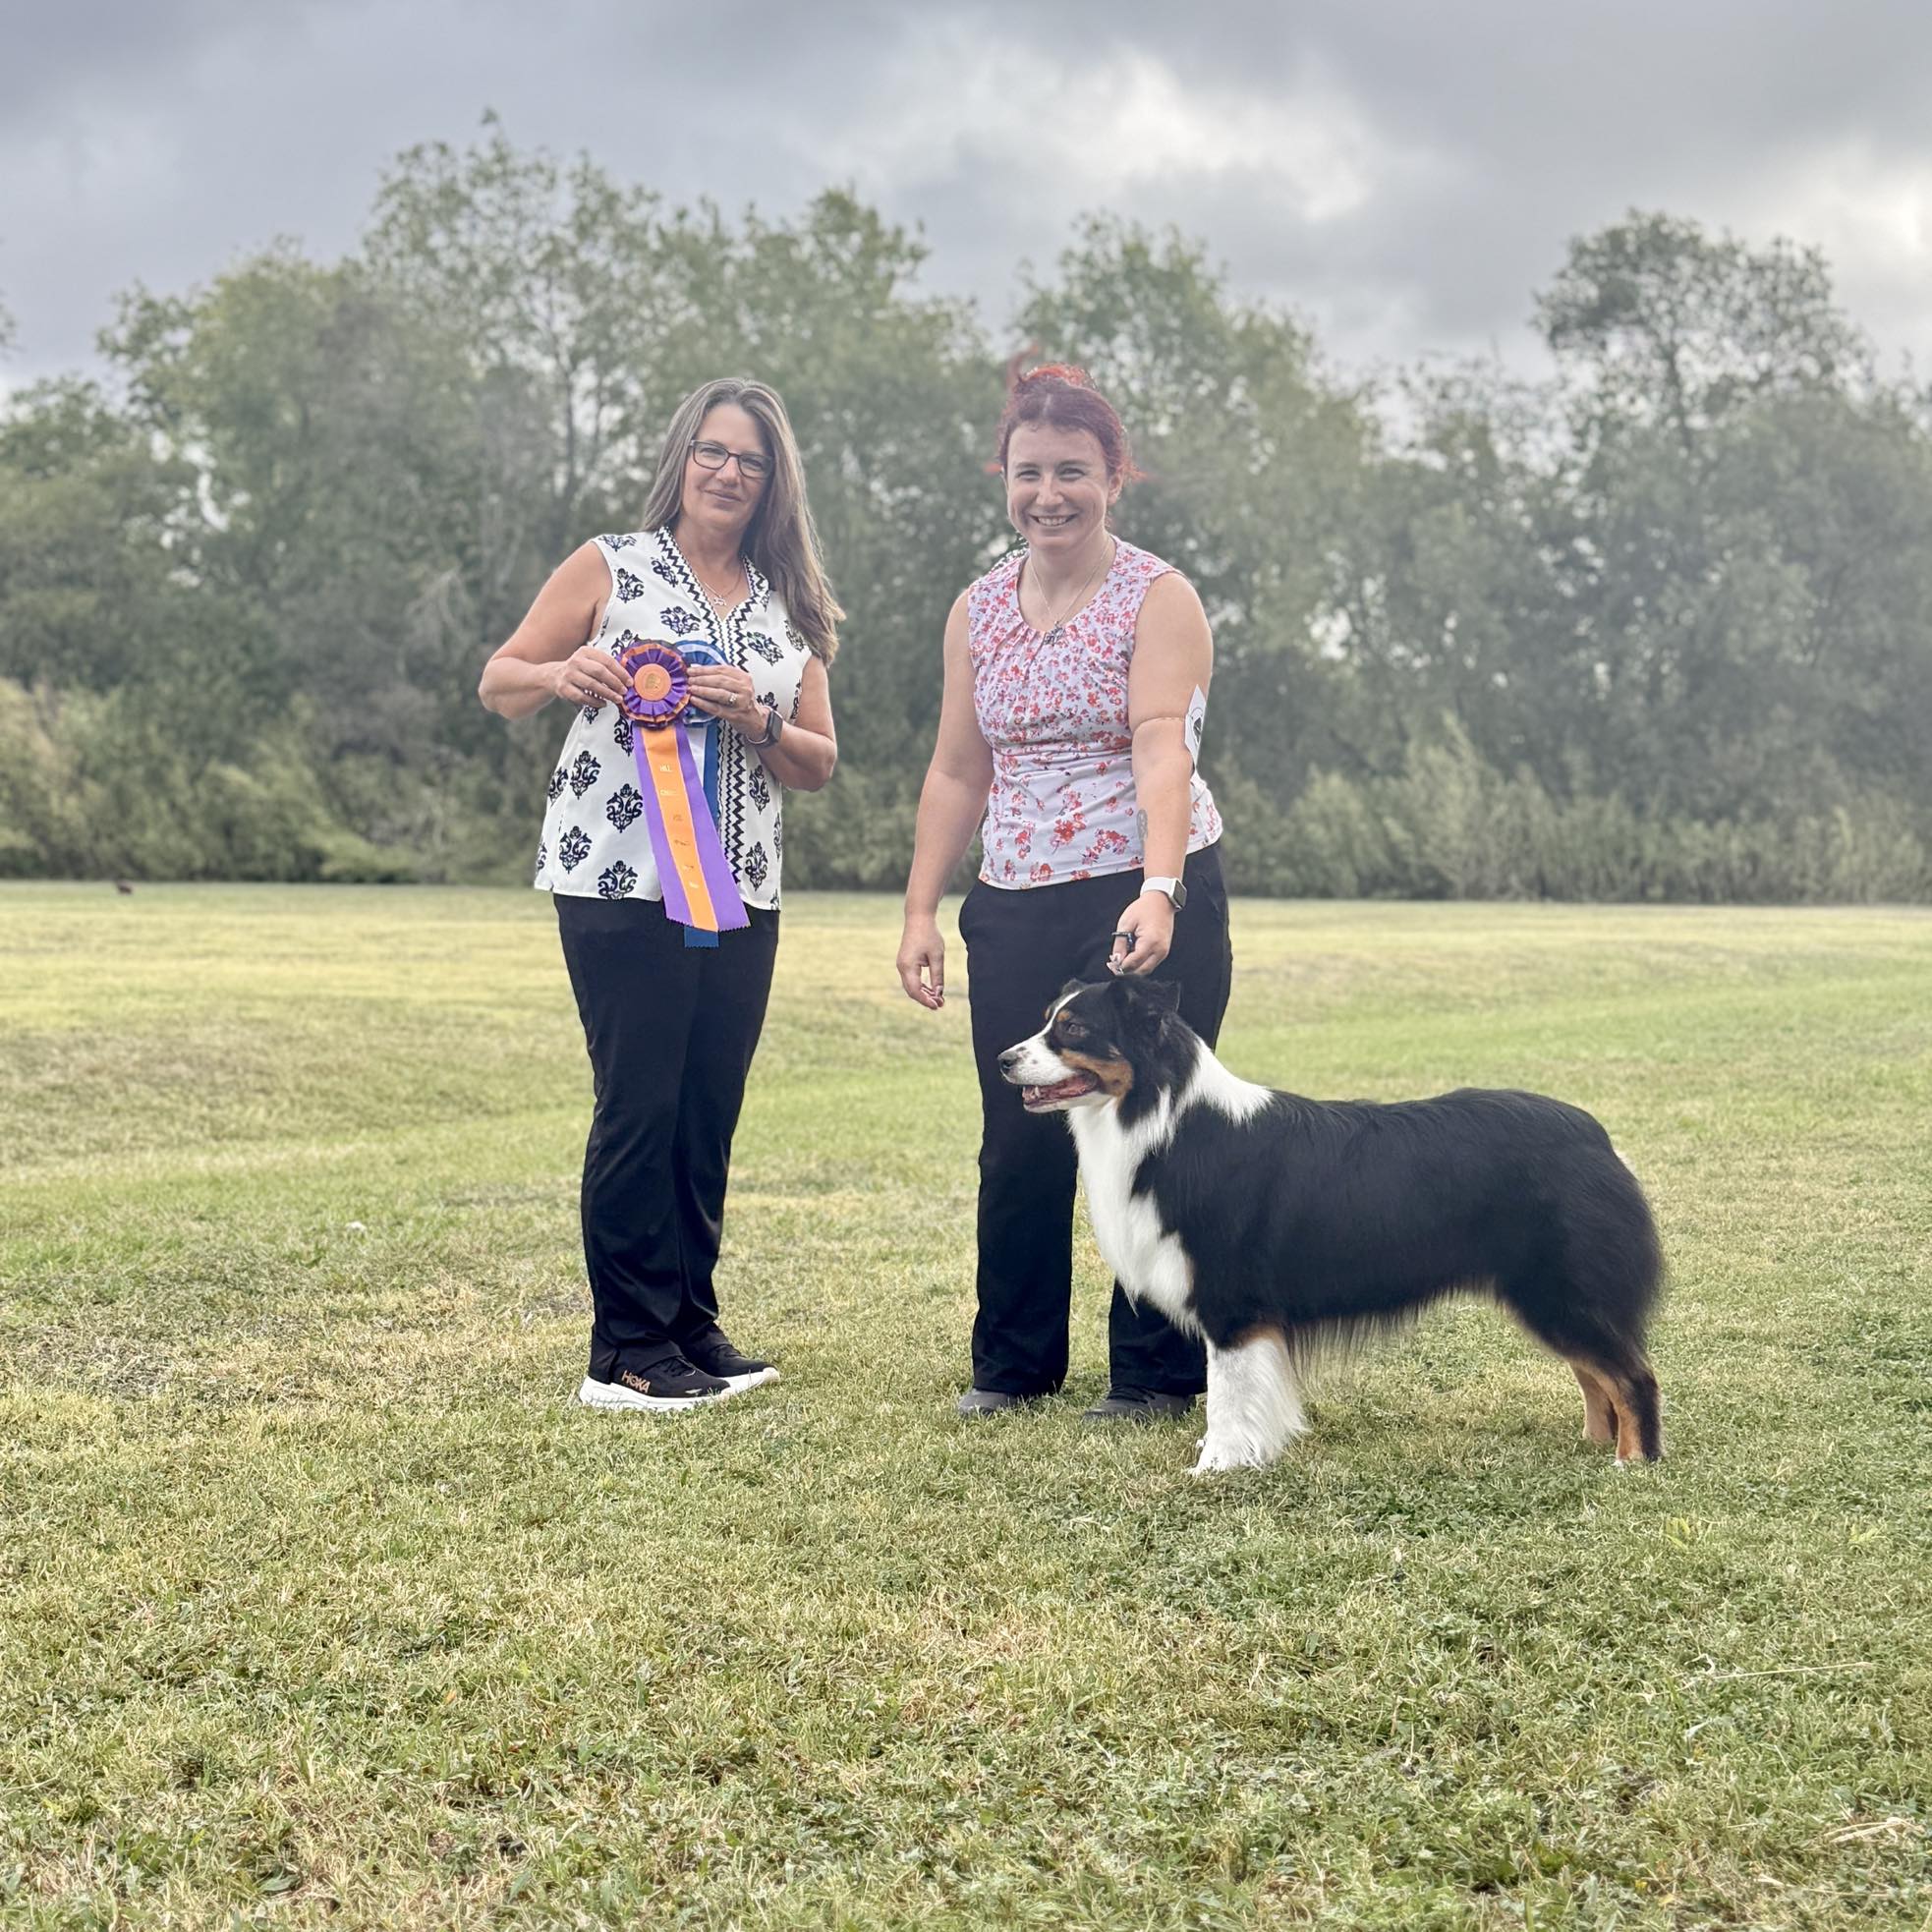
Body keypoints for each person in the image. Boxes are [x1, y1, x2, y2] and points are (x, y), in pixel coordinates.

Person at [481, 377, 839, 1412]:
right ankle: (627, 1349)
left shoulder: (791, 605)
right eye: (711, 452)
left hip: (744, 892)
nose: (729, 473)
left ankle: (688, 1323)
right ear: (681, 459)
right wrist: (561, 675)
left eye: (751, 461)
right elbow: (499, 679)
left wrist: (759, 719)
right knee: (640, 1104)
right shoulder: (611, 564)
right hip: (618, 880)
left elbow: (818, 761)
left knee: (706, 1108)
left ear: (774, 482)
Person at [896, 364, 1232, 1421]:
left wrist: (1160, 887)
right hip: (1015, 898)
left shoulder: (1159, 597)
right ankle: (1012, 1363)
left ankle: (1156, 1375)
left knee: (1152, 1124)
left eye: (1073, 472)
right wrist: (919, 910)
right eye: (1030, 472)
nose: (1050, 494)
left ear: (1114, 477)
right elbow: (958, 769)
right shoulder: (977, 608)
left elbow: (1161, 748)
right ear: (1004, 477)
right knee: (1018, 1129)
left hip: (1141, 887)